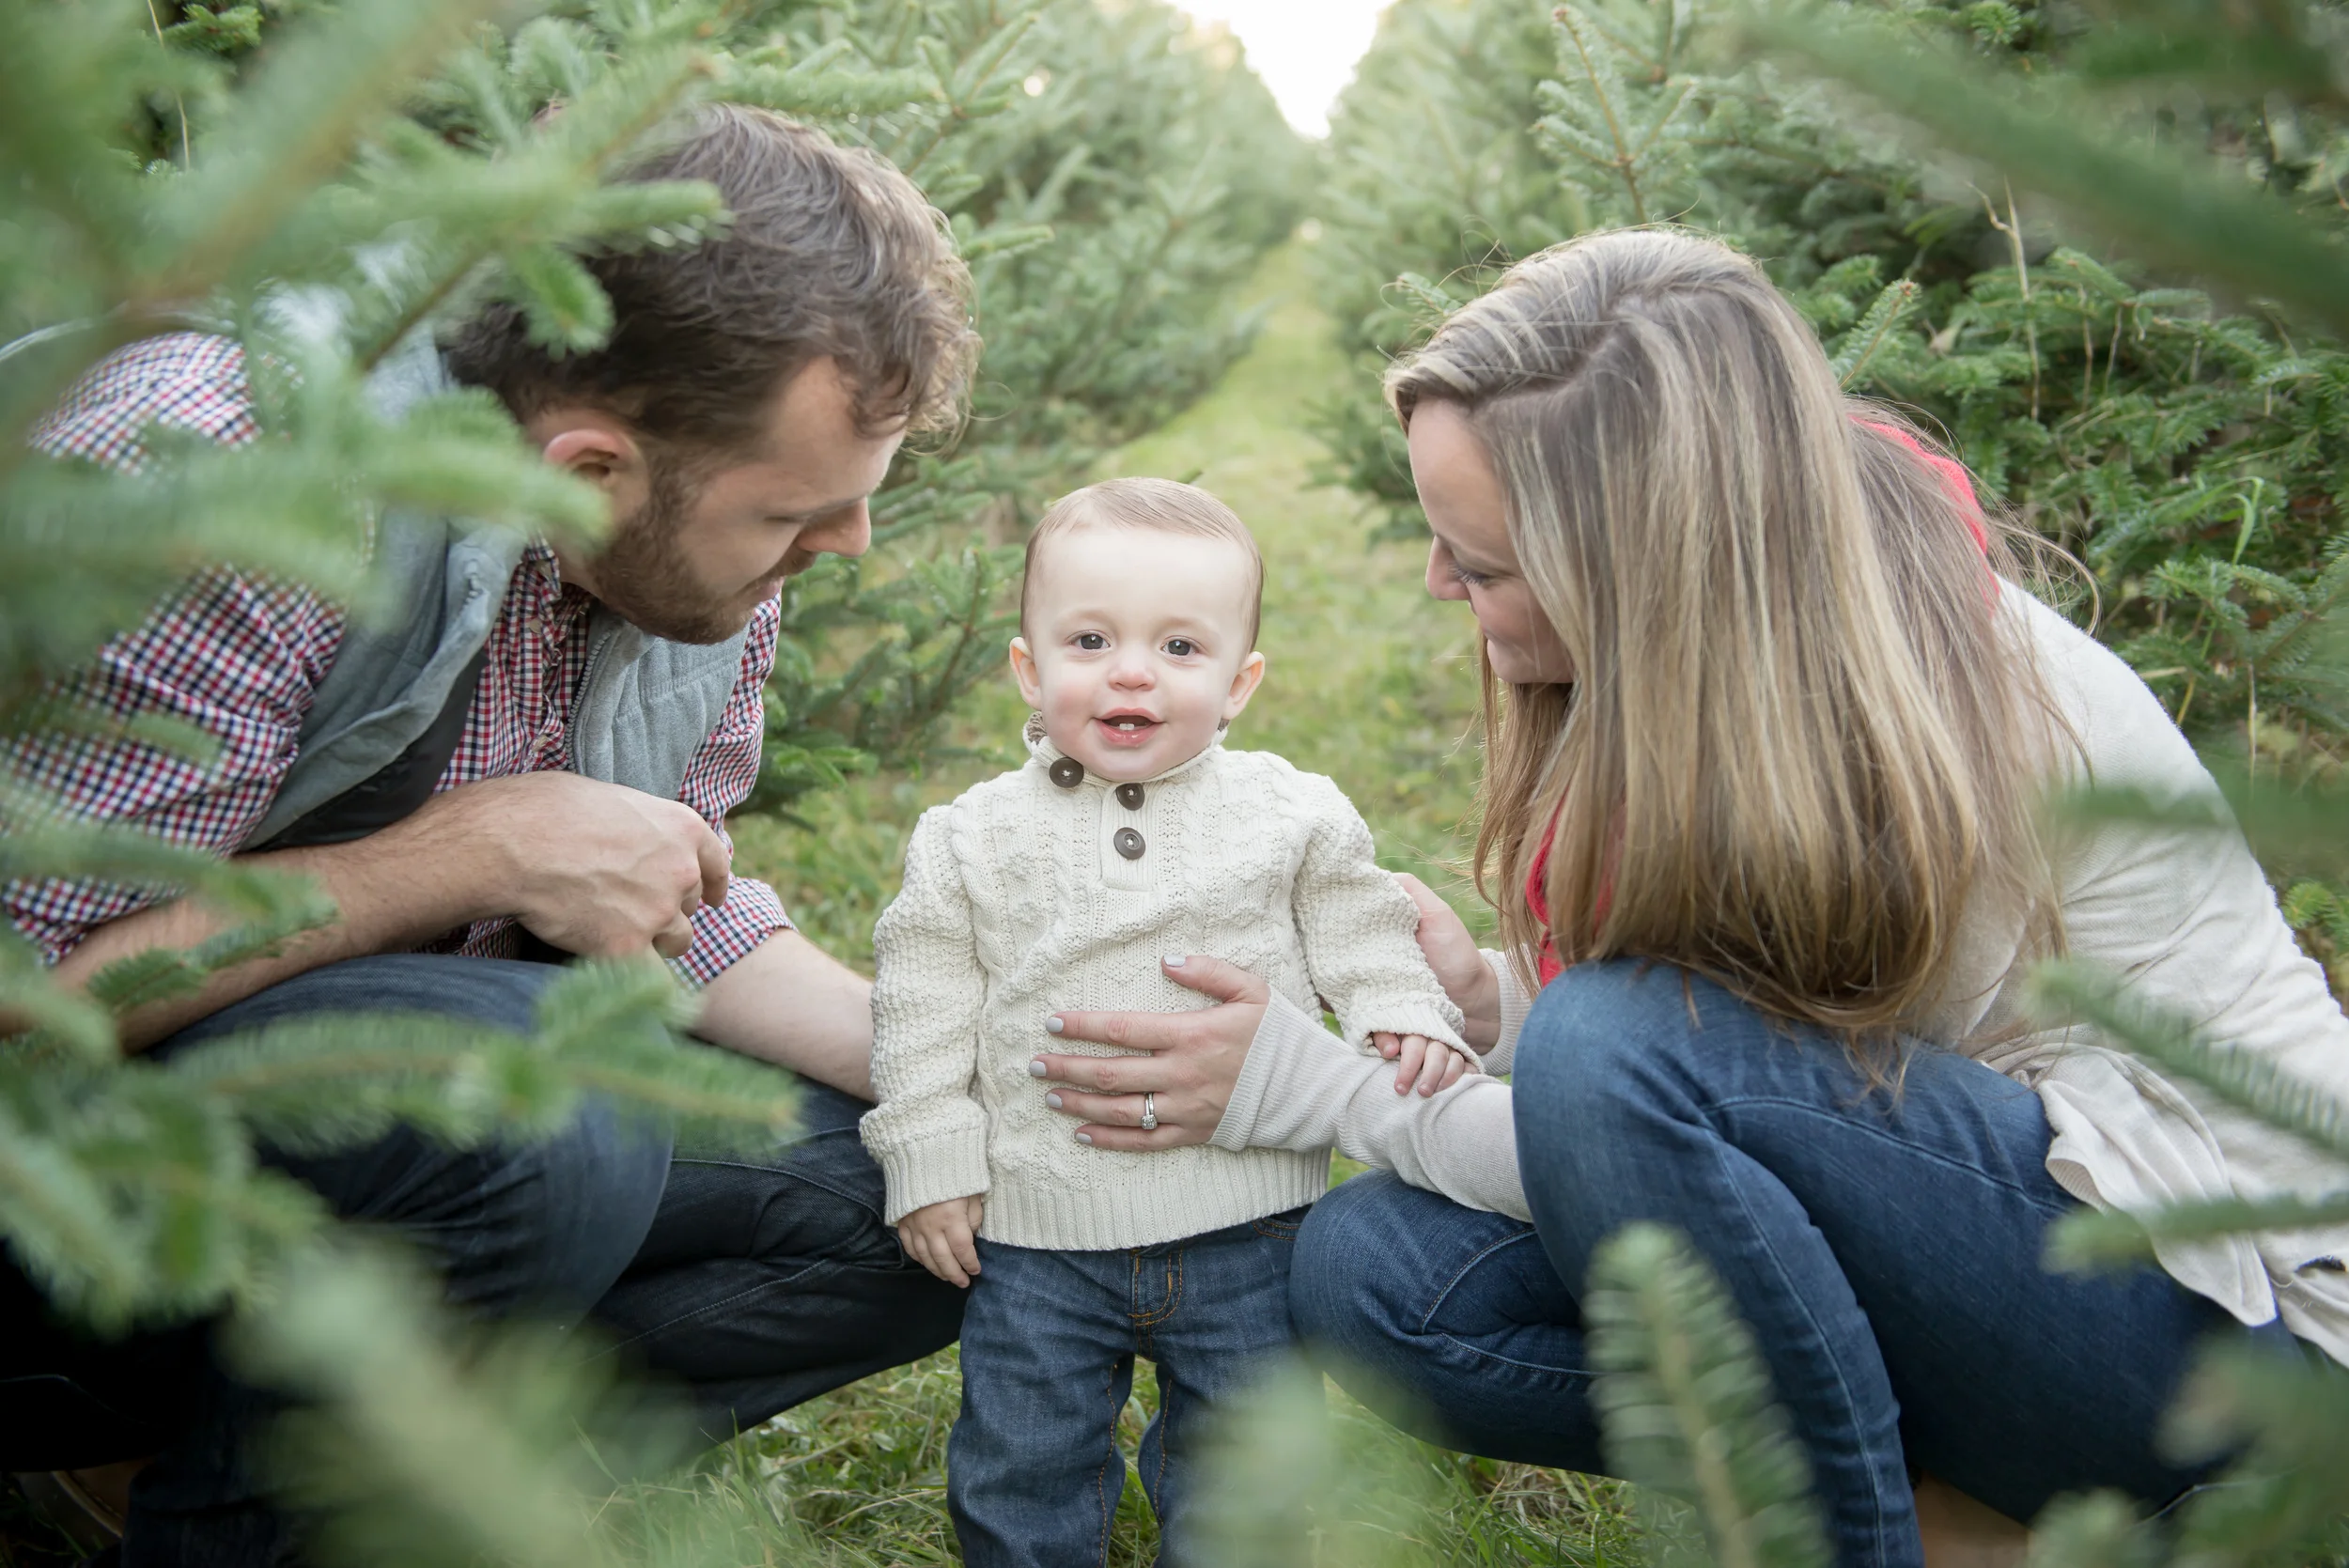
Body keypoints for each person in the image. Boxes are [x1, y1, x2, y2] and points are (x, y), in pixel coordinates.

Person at [1019, 229, 2349, 1568]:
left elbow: (1656, 1091)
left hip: (2244, 1343)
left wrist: (1316, 1091)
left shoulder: (1936, 712)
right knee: (1382, 1274)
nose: (1440, 583)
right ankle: (1961, 1510)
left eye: (1481, 563)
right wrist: (1488, 1003)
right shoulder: (1738, 649)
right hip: (2006, 1240)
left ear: (1634, 560)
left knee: (1603, 1049)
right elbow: (1739, 1076)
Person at [2, 105, 972, 1566]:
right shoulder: (234, 481)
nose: (847, 548)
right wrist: (465, 854)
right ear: (590, 464)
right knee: (540, 1117)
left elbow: (661, 894)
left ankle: (292, 1480)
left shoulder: (690, 546)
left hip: (329, 1158)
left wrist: (949, 1057)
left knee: (918, 1180)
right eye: (798, 513)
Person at [863, 477, 1474, 1567]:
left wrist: (1396, 1008)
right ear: (1028, 666)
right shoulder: (968, 838)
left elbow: (1361, 924)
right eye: (1090, 639)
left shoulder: (1291, 812)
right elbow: (923, 1005)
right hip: (1037, 1235)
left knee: (1245, 1472)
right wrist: (927, 1151)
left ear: (1238, 684)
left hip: (1249, 1224)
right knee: (1020, 1461)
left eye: (1180, 648)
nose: (1132, 671)